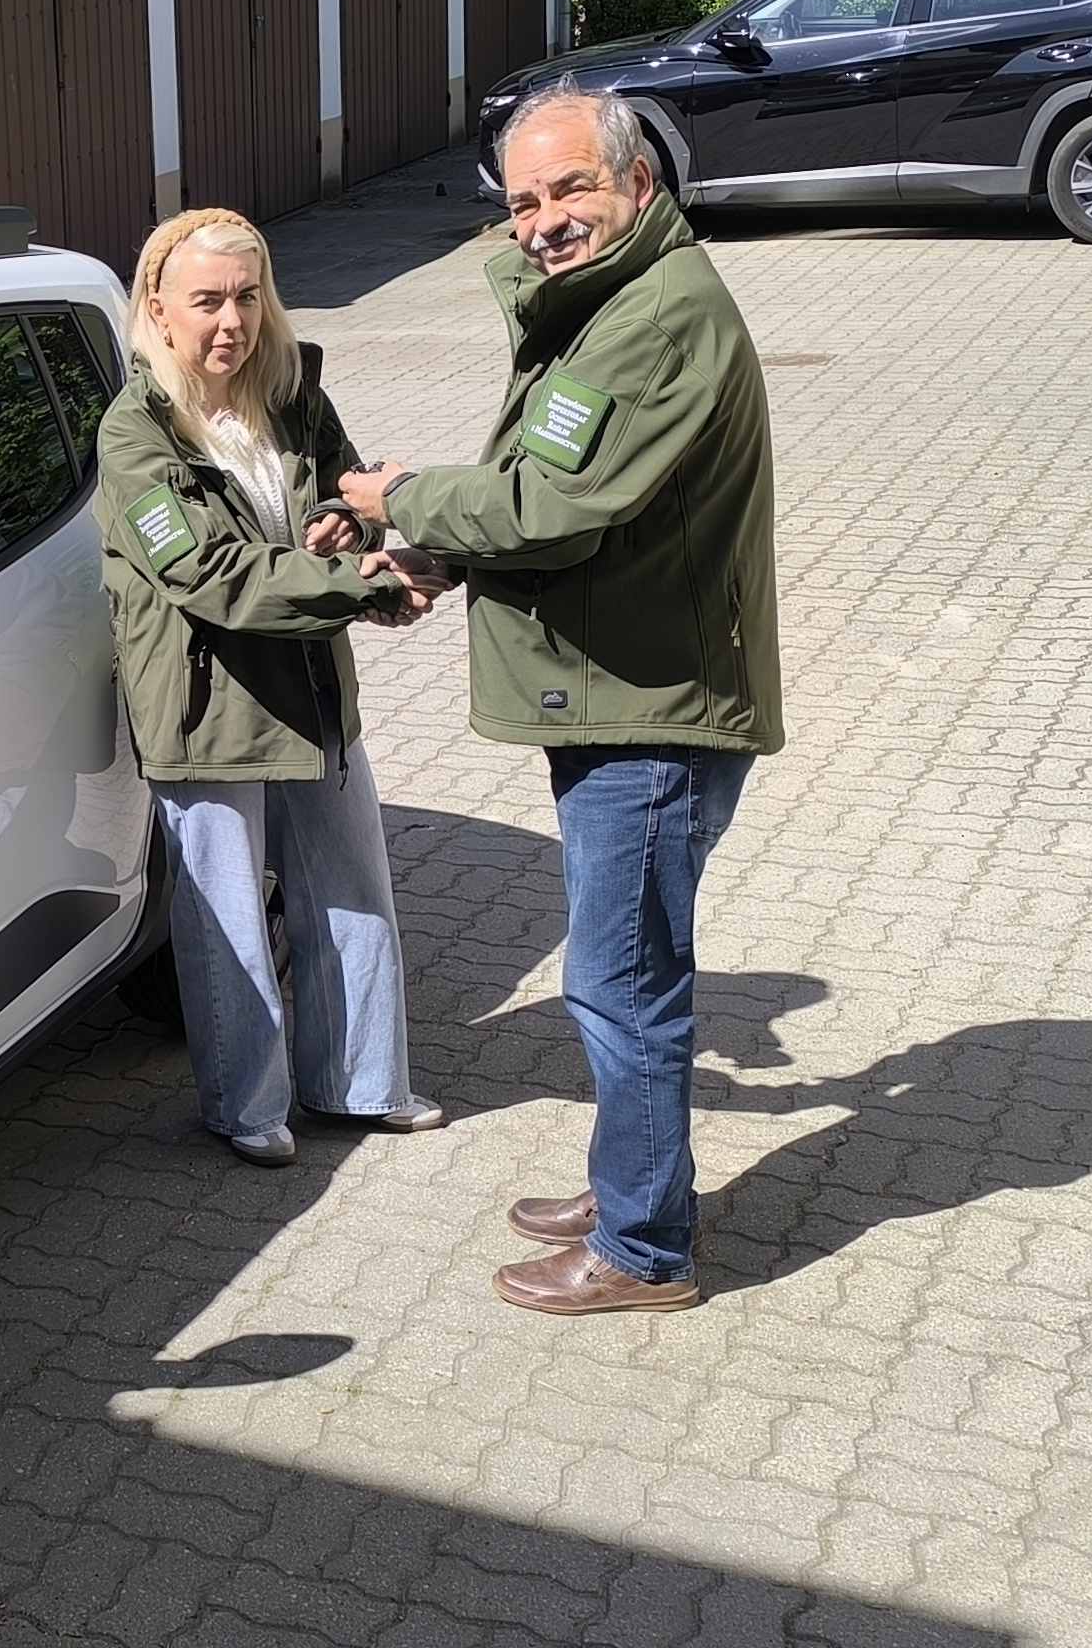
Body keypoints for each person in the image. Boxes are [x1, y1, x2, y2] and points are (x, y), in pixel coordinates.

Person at [337, 86, 784, 1315]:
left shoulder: (653, 318)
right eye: (524, 200)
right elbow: (562, 491)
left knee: (621, 984)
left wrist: (401, 498)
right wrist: (444, 552)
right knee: (623, 974)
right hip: (623, 688)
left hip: (650, 711)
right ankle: (636, 1182)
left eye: (570, 187)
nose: (542, 220)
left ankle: (643, 1249)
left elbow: (554, 507)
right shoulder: (611, 305)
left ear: (637, 183)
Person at [99, 207, 443, 1167]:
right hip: (206, 705)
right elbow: (206, 572)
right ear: (159, 308)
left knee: (353, 888)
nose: (232, 322)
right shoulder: (134, 433)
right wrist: (362, 586)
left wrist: (349, 525)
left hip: (310, 684)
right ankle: (247, 1107)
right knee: (228, 922)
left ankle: (362, 1085)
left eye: (248, 297)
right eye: (207, 300)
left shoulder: (290, 392)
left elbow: (347, 489)